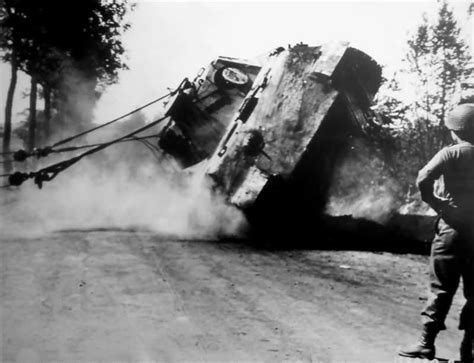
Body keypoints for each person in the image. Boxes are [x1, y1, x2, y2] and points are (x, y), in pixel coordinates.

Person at [398, 103, 474, 362]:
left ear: (455, 130)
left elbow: (423, 178)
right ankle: (469, 351)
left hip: (452, 229)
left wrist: (437, 202)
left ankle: (425, 343)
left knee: (441, 288)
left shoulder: (450, 153)